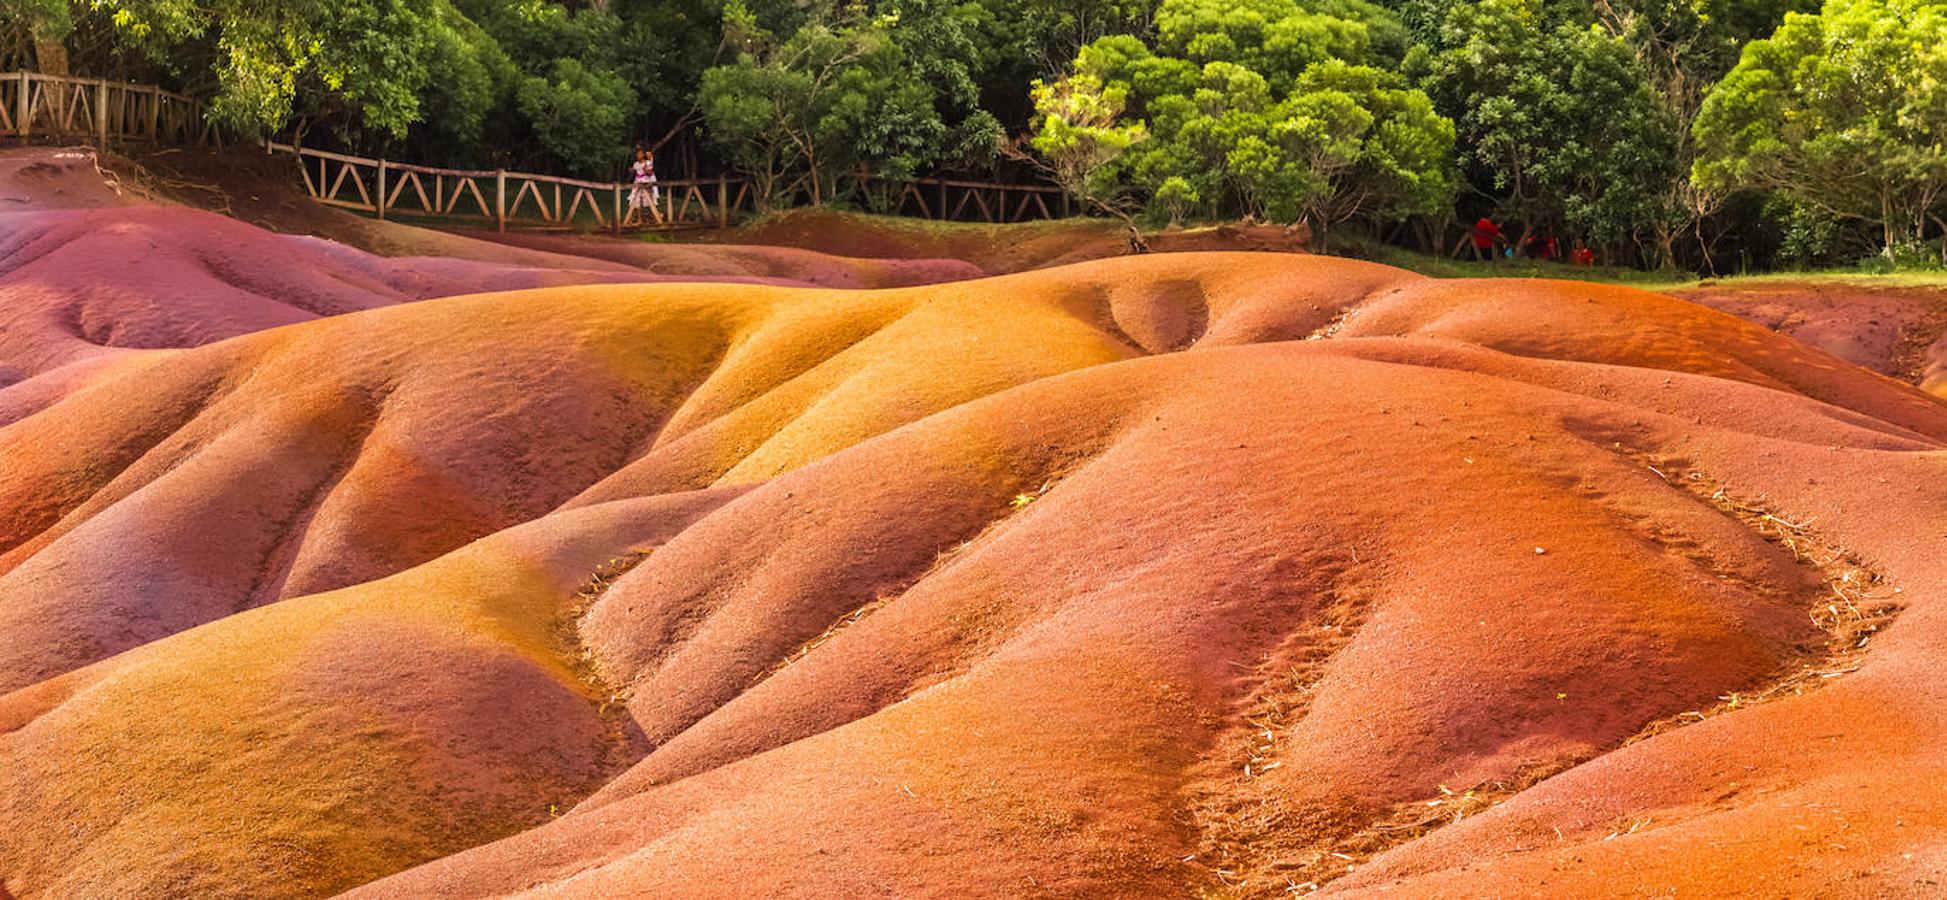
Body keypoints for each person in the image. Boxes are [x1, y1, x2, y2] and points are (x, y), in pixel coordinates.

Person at [625, 147, 659, 227]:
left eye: (640, 154)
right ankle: (638, 219)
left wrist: (646, 170)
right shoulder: (636, 164)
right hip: (637, 183)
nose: (638, 155)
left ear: (643, 155)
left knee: (649, 202)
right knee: (635, 201)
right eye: (637, 154)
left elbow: (650, 173)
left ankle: (657, 215)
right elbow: (634, 171)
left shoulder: (647, 163)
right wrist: (631, 170)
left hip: (645, 183)